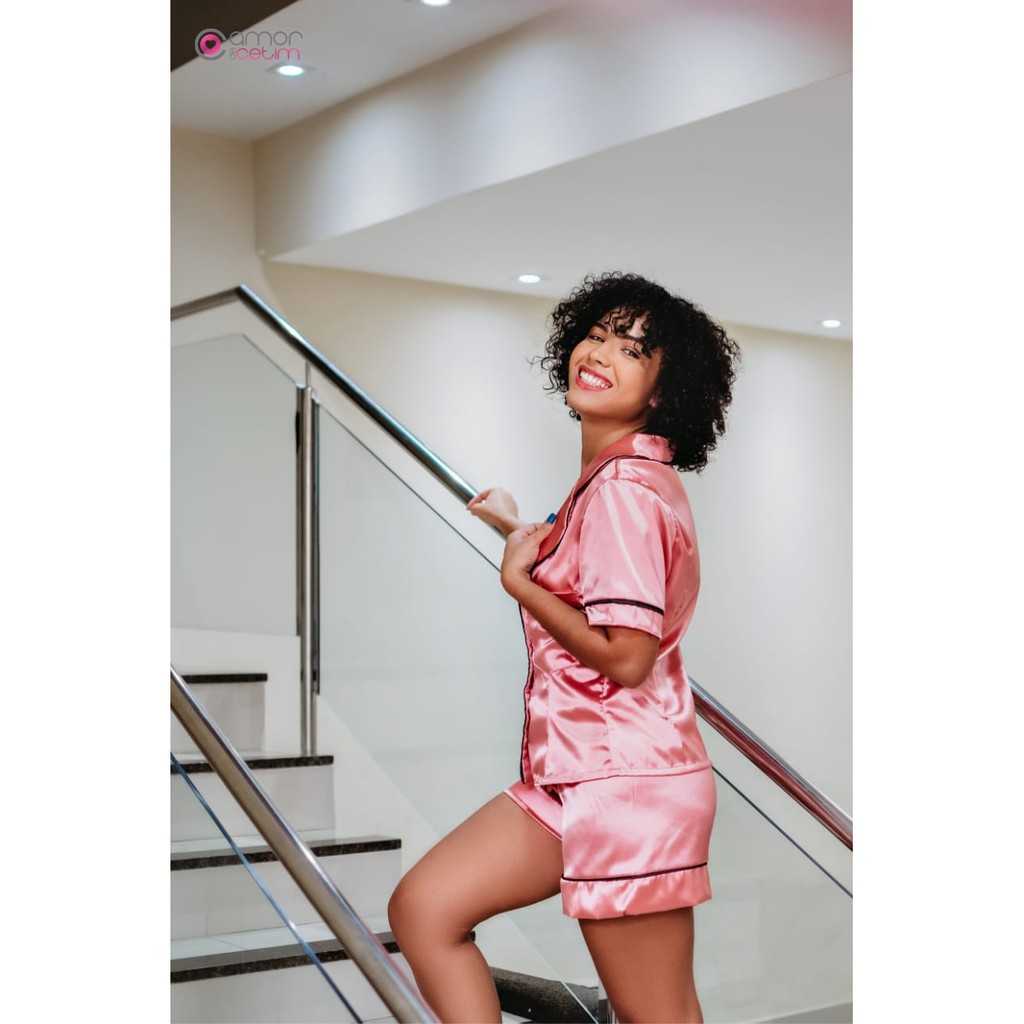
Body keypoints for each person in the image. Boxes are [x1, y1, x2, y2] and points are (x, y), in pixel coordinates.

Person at [388, 271, 741, 1023]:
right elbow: (593, 579)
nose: (601, 353)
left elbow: (627, 656)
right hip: (576, 777)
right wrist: (518, 530)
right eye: (598, 334)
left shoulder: (622, 491)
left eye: (633, 349)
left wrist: (519, 582)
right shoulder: (616, 479)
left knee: (657, 1017)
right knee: (425, 907)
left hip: (624, 787)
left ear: (665, 390)